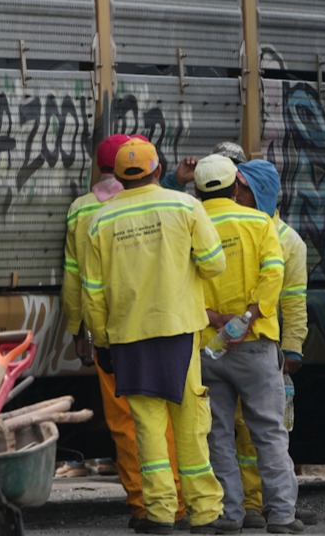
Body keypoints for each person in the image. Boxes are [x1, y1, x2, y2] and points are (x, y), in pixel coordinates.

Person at [81, 138, 231, 534]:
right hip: (179, 330)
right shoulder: (185, 207)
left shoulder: (100, 220)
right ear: (158, 169)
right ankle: (204, 512)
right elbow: (214, 265)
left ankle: (160, 513)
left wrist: (102, 342)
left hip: (128, 336)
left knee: (147, 427)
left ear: (118, 175)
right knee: (190, 422)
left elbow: (92, 293)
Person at [64, 132, 192, 529]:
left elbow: (78, 280)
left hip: (117, 331)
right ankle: (179, 503)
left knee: (126, 421)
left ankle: (142, 503)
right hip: (172, 325)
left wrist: (81, 332)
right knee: (173, 417)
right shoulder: (170, 204)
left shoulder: (84, 212)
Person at [195, 155, 304, 534]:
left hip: (208, 347)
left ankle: (230, 514)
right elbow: (274, 274)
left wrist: (215, 318)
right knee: (269, 432)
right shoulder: (260, 223)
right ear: (235, 185)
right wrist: (248, 317)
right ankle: (282, 516)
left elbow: (180, 282)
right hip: (255, 344)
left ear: (198, 190)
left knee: (218, 434)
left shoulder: (193, 221)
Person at [230, 159, 314, 529]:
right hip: (227, 343)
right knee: (234, 427)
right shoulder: (235, 225)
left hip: (264, 345)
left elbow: (294, 300)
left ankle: (260, 502)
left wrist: (293, 347)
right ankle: (251, 502)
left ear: (260, 192)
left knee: (261, 430)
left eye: (243, 188)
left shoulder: (288, 241)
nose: (235, 193)